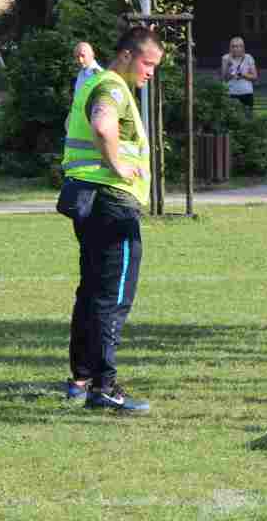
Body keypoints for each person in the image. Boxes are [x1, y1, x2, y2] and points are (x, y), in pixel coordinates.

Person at [59, 27, 164, 412]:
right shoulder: (113, 87)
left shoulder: (96, 82)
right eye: (147, 63)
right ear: (126, 55)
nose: (150, 72)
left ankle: (81, 379)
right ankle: (104, 386)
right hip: (111, 201)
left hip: (88, 198)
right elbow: (103, 125)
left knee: (91, 291)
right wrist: (119, 165)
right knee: (113, 295)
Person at [221, 37, 258, 115]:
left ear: (243, 47)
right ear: (230, 48)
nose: (236, 49)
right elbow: (224, 78)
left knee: (247, 117)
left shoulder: (248, 58)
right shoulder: (226, 58)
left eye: (239, 46)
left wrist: (243, 75)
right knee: (231, 118)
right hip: (231, 94)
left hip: (246, 93)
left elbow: (255, 77)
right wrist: (228, 66)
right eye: (233, 46)